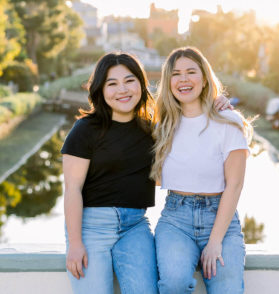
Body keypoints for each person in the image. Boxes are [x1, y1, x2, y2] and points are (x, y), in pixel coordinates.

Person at [61, 51, 231, 294]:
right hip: (91, 228)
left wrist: (214, 103)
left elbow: (184, 144)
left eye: (129, 81)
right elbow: (72, 189)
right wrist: (75, 243)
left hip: (135, 227)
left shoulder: (153, 130)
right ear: (100, 90)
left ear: (141, 85)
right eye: (112, 84)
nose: (123, 90)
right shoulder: (85, 129)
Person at [151, 46, 253, 294]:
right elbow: (155, 179)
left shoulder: (229, 121)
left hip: (220, 219)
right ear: (168, 82)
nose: (183, 79)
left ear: (205, 78)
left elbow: (235, 185)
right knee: (173, 284)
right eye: (176, 74)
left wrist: (215, 240)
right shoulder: (161, 126)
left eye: (191, 72)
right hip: (176, 219)